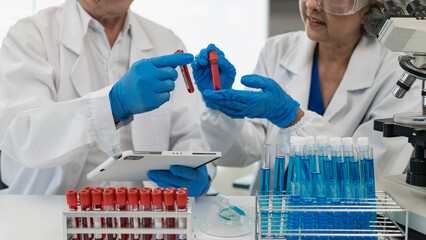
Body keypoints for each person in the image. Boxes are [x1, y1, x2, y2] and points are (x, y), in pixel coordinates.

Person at [192, 0, 421, 194]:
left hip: (340, 225)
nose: (312, 5)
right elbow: (245, 150)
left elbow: (370, 172)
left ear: (370, 8)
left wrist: (294, 119)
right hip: (269, 221)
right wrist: (221, 108)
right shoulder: (277, 49)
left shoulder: (400, 71)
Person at [0, 0, 212, 196]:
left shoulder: (166, 41)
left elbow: (190, 134)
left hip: (146, 216)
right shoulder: (30, 35)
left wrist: (198, 174)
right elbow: (21, 134)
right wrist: (111, 106)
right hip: (48, 213)